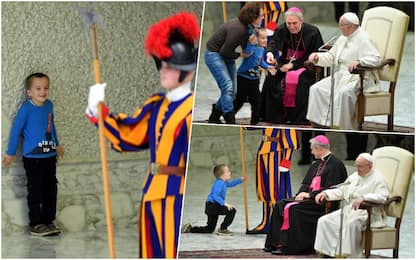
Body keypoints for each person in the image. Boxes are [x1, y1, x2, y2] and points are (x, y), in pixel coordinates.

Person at [85, 12, 199, 258]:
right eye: (161, 64)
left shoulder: (191, 112)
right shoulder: (157, 104)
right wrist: (99, 111)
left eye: (170, 66)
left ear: (187, 72)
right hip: (152, 191)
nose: (163, 71)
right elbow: (131, 135)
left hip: (176, 196)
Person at [3, 72, 64, 237]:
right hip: (33, 159)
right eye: (38, 88)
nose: (42, 91)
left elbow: (51, 126)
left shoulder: (49, 105)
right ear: (29, 92)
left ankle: (48, 221)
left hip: (49, 156)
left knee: (51, 190)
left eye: (45, 88)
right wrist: (10, 153)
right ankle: (36, 224)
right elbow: (16, 131)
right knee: (35, 190)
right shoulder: (26, 110)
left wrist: (56, 144)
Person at [263, 135, 347, 254]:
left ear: (319, 149)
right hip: (309, 199)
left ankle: (291, 247)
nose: (311, 152)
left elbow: (333, 189)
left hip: (321, 202)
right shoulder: (316, 164)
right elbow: (306, 183)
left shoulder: (336, 164)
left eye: (312, 149)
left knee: (294, 209)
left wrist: (310, 195)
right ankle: (275, 244)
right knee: (279, 205)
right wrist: (300, 194)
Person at [306, 12, 381, 130]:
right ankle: (319, 124)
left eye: (341, 25)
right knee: (316, 88)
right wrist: (317, 58)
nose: (339, 28)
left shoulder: (364, 38)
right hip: (340, 76)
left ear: (350, 26)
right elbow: (331, 57)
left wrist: (360, 61)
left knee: (345, 93)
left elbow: (376, 59)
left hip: (358, 78)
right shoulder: (342, 38)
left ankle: (344, 127)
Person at [314, 153, 389, 257]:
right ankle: (329, 254)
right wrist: (326, 193)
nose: (357, 169)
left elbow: (382, 197)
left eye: (360, 166)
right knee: (324, 220)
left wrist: (364, 198)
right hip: (350, 210)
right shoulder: (355, 176)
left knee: (352, 223)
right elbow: (342, 190)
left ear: (370, 166)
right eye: (356, 165)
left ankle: (352, 256)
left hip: (368, 213)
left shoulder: (379, 179)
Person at [260, 7, 323, 124]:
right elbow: (273, 44)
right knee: (272, 78)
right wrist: (270, 54)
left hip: (305, 66)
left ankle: (297, 119)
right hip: (284, 64)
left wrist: (294, 65)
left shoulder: (313, 32)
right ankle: (275, 117)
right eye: (289, 23)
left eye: (294, 23)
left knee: (302, 82)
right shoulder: (282, 29)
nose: (291, 26)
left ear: (301, 21)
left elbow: (316, 54)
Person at [207, 2, 264, 124]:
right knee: (227, 86)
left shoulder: (249, 28)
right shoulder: (239, 29)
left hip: (227, 54)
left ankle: (215, 116)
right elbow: (224, 51)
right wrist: (241, 55)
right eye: (261, 16)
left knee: (233, 91)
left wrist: (252, 46)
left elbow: (245, 48)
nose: (263, 18)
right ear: (253, 17)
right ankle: (230, 119)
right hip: (214, 54)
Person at [246, 128, 299, 234]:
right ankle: (267, 223)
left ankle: (280, 224)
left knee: (276, 190)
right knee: (265, 190)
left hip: (275, 154)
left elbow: (290, 138)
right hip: (264, 150)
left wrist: (286, 160)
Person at [181, 164, 247, 235]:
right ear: (222, 175)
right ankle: (223, 229)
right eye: (227, 171)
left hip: (212, 206)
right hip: (212, 206)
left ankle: (190, 229)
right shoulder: (219, 183)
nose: (230, 172)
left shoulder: (223, 182)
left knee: (209, 229)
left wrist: (240, 180)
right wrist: (225, 204)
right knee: (232, 210)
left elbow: (231, 184)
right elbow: (215, 196)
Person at [234, 28, 276, 125]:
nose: (265, 40)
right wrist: (250, 41)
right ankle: (229, 114)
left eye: (266, 38)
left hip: (254, 79)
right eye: (262, 38)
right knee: (240, 100)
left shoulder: (261, 49)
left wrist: (268, 67)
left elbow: (259, 62)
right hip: (243, 77)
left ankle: (254, 122)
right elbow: (247, 52)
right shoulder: (251, 47)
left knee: (257, 100)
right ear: (255, 39)